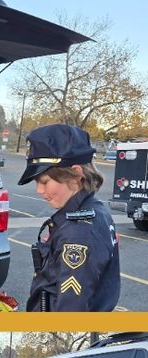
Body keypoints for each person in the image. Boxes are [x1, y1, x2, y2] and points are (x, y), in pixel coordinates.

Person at [21, 124, 119, 312]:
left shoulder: (78, 232)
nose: (39, 190)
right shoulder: (94, 210)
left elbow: (70, 310)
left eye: (44, 182)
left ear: (75, 174)